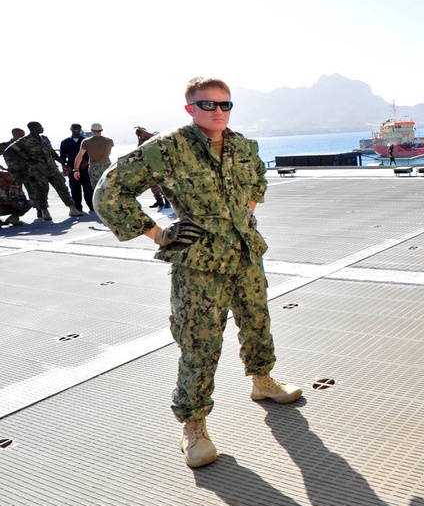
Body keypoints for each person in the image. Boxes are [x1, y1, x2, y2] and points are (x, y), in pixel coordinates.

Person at [94, 76, 301, 469]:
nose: (218, 111)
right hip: (199, 264)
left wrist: (243, 216)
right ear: (190, 108)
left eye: (225, 104)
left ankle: (262, 381)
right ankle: (193, 425)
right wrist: (158, 233)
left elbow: (258, 180)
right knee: (200, 342)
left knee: (257, 321)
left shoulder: (243, 145)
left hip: (245, 253)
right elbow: (109, 191)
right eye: (208, 104)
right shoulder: (167, 148)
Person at [5, 122, 84, 221]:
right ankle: (45, 211)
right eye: (40, 127)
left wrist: (63, 164)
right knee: (41, 191)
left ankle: (72, 209)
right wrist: (26, 161)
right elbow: (8, 151)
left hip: (52, 168)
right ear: (34, 128)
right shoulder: (24, 141)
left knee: (62, 188)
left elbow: (52, 152)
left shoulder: (44, 138)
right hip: (37, 171)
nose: (42, 128)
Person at [135, 126, 170, 210]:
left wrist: (143, 131)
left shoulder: (153, 135)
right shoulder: (141, 141)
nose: (140, 136)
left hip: (159, 164)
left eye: (141, 134)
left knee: (163, 183)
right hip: (148, 165)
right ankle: (159, 201)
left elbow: (156, 137)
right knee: (152, 184)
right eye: (139, 135)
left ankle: (167, 201)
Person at [60, 123, 93, 213]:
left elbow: (92, 153)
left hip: (85, 168)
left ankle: (92, 206)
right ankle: (78, 208)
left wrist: (87, 162)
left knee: (88, 188)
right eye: (74, 128)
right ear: (70, 129)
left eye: (78, 128)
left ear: (81, 129)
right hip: (72, 169)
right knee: (75, 189)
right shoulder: (65, 142)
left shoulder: (86, 141)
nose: (76, 129)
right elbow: (63, 156)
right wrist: (65, 167)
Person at [75, 123, 113, 195]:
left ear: (91, 130)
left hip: (94, 167)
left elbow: (80, 156)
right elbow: (108, 153)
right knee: (108, 188)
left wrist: (76, 169)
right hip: (107, 166)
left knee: (96, 189)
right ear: (101, 130)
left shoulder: (86, 141)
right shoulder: (109, 141)